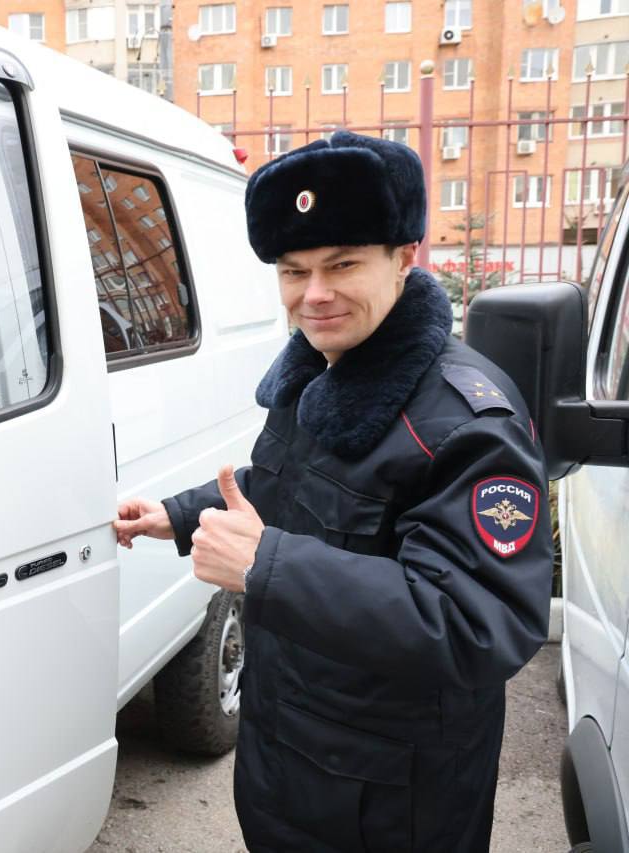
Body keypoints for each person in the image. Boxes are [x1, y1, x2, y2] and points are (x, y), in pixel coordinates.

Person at [113, 130, 552, 853]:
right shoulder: (324, 372)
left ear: (405, 257)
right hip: (287, 764)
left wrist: (266, 564)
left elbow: (477, 621)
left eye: (342, 264)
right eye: (293, 270)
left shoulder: (466, 424)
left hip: (390, 804)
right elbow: (283, 489)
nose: (314, 295)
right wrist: (181, 515)